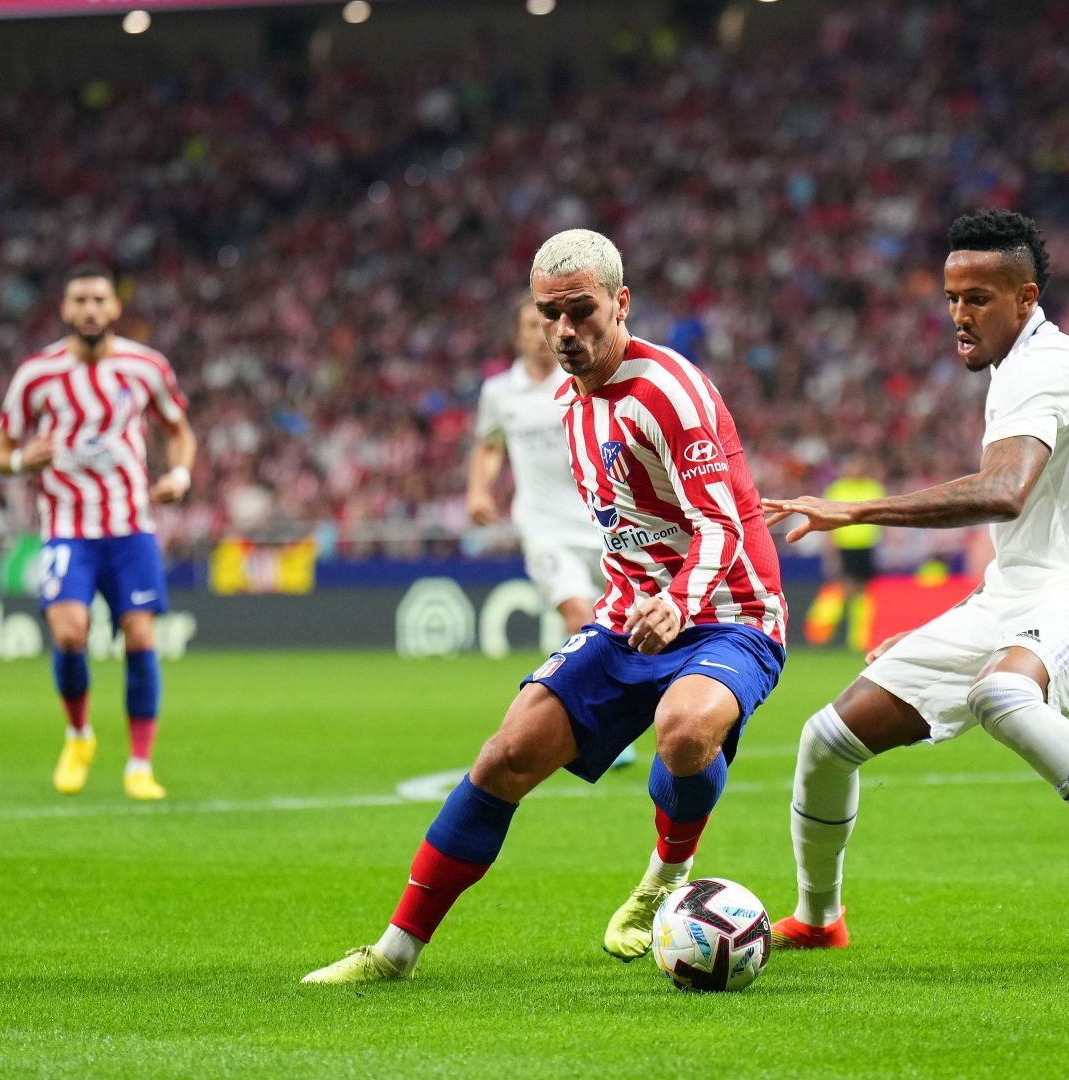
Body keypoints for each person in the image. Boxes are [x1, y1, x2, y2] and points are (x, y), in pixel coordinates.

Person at [303, 229, 788, 985]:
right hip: (629, 615)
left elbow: (721, 521)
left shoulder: (672, 390)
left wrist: (678, 600)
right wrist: (631, 601)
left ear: (621, 304)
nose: (564, 330)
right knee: (504, 756)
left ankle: (664, 875)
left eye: (581, 311)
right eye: (549, 314)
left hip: (730, 611)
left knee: (685, 730)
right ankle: (393, 954)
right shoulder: (569, 400)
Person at [762, 209, 1069, 970]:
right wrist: (938, 637)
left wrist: (855, 509)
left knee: (1002, 695)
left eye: (978, 297)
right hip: (1015, 595)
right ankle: (820, 917)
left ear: (1026, 297)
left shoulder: (1048, 368)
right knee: (828, 740)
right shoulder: (1015, 368)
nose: (959, 314)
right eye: (951, 297)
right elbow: (1021, 535)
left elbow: (1005, 491)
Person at [0, 263, 196, 801]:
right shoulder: (37, 375)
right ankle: (79, 734)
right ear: (64, 309)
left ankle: (139, 765)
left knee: (142, 637)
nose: (89, 309)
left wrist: (179, 474)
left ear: (114, 308)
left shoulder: (146, 367)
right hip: (66, 527)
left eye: (98, 299)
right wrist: (18, 463)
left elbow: (179, 432)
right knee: (69, 633)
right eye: (79, 299)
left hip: (131, 525)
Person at [468, 294, 635, 767]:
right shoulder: (500, 392)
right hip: (542, 528)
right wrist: (479, 492)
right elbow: (488, 445)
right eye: (528, 324)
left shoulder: (581, 379)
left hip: (601, 522)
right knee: (579, 616)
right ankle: (603, 730)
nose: (537, 333)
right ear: (518, 334)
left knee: (619, 625)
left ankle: (609, 711)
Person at [802, 457, 886, 650]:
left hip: (867, 547)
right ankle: (819, 630)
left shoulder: (873, 488)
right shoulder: (838, 489)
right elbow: (828, 522)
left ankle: (857, 638)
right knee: (843, 589)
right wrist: (830, 551)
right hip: (845, 547)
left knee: (863, 592)